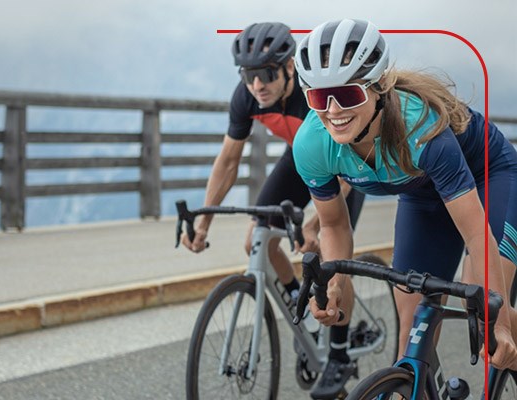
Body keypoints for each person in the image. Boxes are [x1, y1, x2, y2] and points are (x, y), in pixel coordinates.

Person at [292, 18, 517, 396]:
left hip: (487, 174)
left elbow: (477, 234)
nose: (333, 111)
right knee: (411, 338)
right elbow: (332, 226)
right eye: (318, 98)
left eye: (347, 95)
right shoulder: (312, 144)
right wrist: (334, 282)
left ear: (379, 87)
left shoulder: (420, 130)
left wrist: (501, 321)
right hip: (423, 193)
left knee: (485, 313)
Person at [180, 22, 366, 397]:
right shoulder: (247, 96)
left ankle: (340, 352)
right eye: (248, 75)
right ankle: (309, 321)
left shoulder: (313, 94)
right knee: (257, 240)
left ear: (289, 68)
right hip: (301, 157)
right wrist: (204, 222)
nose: (257, 85)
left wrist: (316, 224)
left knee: (329, 257)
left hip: (344, 160)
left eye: (266, 74)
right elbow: (228, 162)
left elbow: (347, 168)